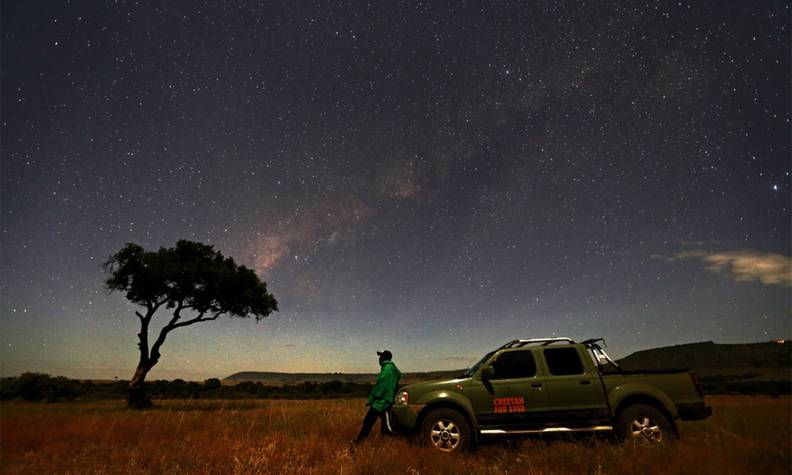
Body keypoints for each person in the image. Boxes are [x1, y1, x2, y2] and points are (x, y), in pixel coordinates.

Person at [354, 350, 402, 444]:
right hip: (386, 401)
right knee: (383, 426)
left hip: (381, 402)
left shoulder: (387, 369)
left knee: (369, 422)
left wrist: (372, 399)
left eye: (380, 357)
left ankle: (358, 443)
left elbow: (381, 386)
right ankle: (361, 442)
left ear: (384, 358)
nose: (379, 358)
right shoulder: (391, 369)